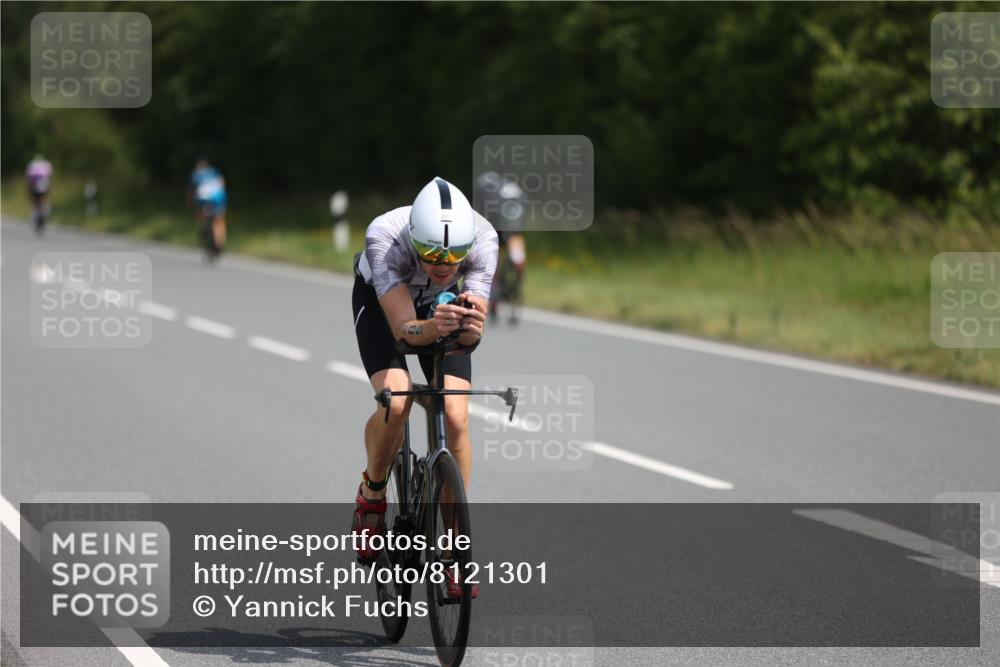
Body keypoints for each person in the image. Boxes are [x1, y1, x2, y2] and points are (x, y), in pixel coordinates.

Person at [350, 177, 498, 595]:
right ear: (415, 240)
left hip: (441, 306)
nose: (443, 265)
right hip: (385, 306)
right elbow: (403, 329)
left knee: (455, 412)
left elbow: (473, 328)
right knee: (396, 401)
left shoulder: (484, 238)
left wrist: (469, 328)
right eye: (431, 254)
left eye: (454, 256)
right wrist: (434, 326)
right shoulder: (385, 237)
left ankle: (454, 548)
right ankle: (373, 493)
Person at [474, 172, 526, 321]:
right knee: (518, 257)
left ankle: (497, 287)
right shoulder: (513, 190)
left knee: (493, 260)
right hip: (513, 230)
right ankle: (518, 281)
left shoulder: (488, 195)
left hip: (498, 230)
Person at [189, 158, 228, 258]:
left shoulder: (196, 175)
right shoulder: (214, 172)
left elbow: (192, 191)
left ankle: (203, 226)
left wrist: (192, 206)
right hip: (218, 198)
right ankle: (219, 243)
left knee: (200, 213)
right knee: (219, 221)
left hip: (203, 199)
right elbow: (222, 184)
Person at [25, 155, 53, 235]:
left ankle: (36, 214)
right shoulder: (46, 164)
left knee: (35, 199)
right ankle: (45, 210)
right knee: (43, 197)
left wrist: (28, 190)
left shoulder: (31, 164)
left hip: (34, 180)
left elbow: (28, 178)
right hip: (44, 180)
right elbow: (50, 175)